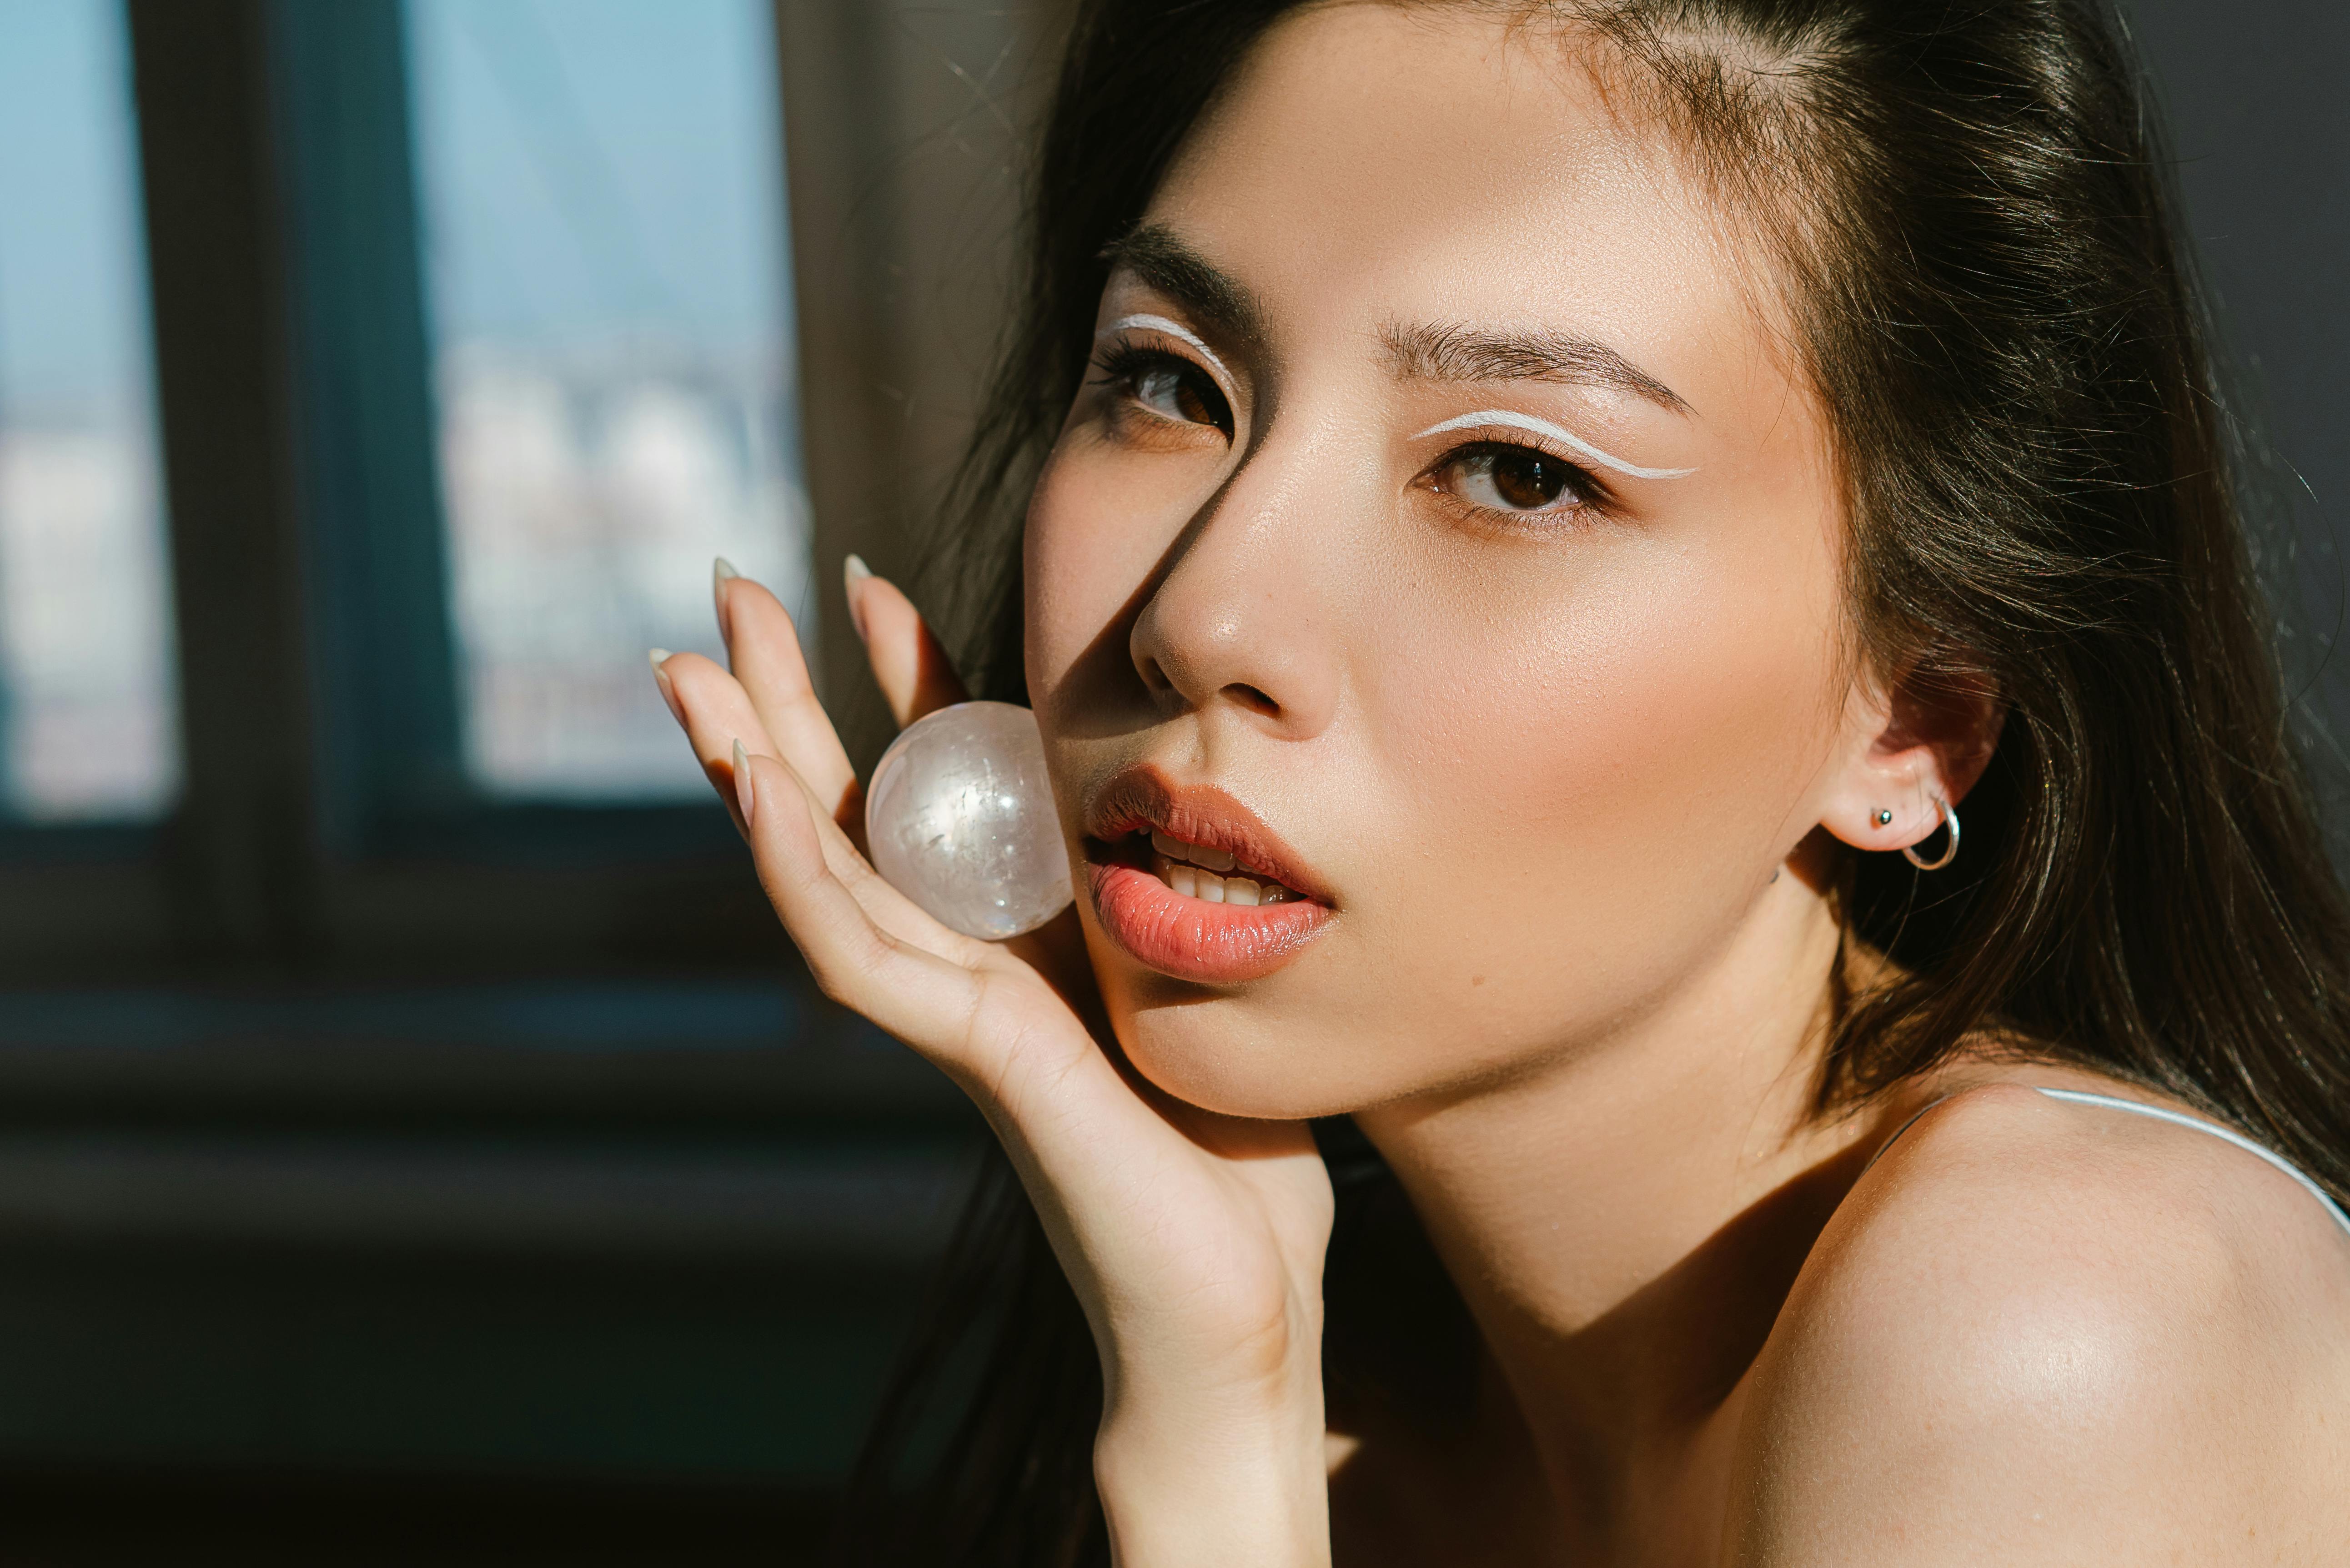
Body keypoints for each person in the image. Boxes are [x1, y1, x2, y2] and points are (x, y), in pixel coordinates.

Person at [651, 1, 2350, 1560]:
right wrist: (1220, 1385)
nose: (1201, 615)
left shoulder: (2060, 1322)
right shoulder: (1362, 1394)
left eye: (1518, 473)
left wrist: (1225, 1487)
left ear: (1911, 722)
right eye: (1172, 381)